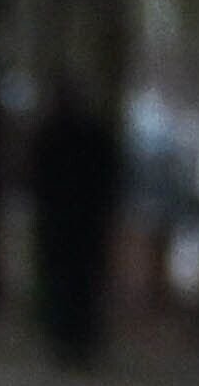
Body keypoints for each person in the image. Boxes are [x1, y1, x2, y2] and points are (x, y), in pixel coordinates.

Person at [21, 79, 128, 371]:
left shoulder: (61, 136)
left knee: (73, 283)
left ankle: (73, 340)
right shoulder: (81, 135)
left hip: (70, 224)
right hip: (76, 225)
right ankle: (72, 340)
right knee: (75, 283)